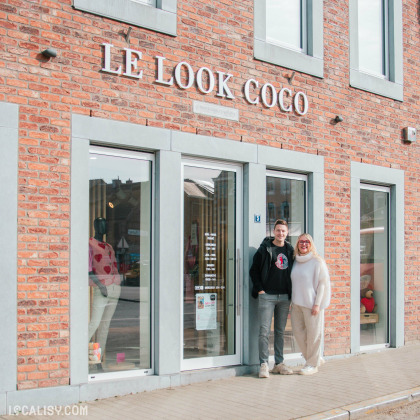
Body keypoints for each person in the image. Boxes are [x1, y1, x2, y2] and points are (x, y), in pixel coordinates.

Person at [250, 219, 294, 378]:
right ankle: (263, 364)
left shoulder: (290, 250)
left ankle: (279, 363)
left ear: (287, 233)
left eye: (283, 231)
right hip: (267, 296)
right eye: (278, 230)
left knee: (280, 332)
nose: (280, 233)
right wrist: (260, 289)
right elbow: (253, 271)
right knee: (264, 331)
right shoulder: (265, 249)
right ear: (273, 231)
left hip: (284, 297)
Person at [291, 233, 331, 375]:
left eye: (307, 242)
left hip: (312, 305)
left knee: (314, 335)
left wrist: (317, 304)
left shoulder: (317, 261)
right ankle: (314, 358)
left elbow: (323, 284)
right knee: (298, 334)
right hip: (296, 304)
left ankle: (312, 365)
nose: (304, 244)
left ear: (311, 244)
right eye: (301, 242)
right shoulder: (295, 261)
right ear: (297, 244)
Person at [88, 217, 122, 364]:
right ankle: (76, 355)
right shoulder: (89, 243)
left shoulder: (108, 246)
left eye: (106, 224)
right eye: (101, 224)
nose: (104, 227)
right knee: (94, 323)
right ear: (96, 226)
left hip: (115, 287)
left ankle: (97, 359)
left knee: (105, 326)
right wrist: (100, 286)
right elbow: (88, 269)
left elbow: (114, 266)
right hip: (101, 288)